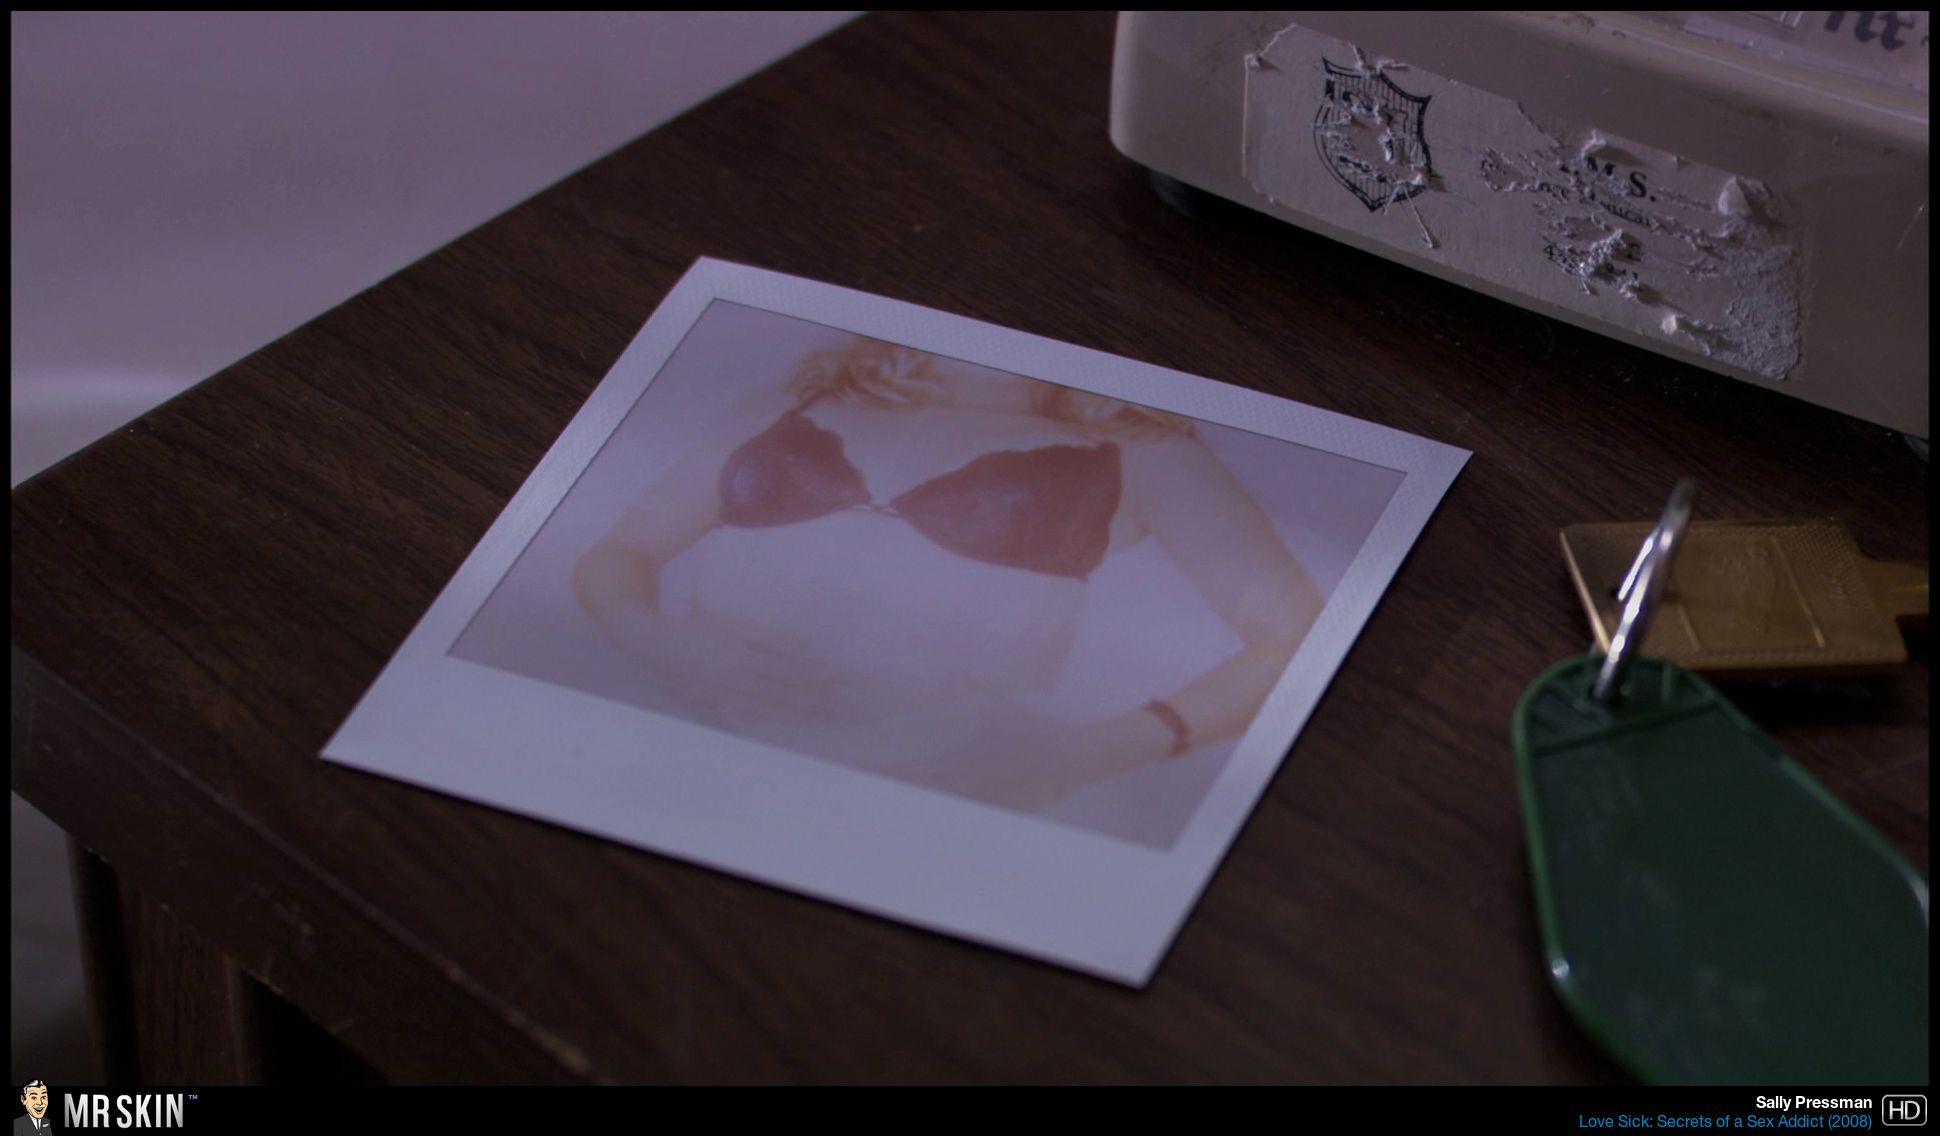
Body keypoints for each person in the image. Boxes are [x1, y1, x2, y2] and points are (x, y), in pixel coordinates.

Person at [572, 336, 1321, 815]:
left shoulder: (1139, 447)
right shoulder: (805, 398)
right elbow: (618, 556)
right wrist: (655, 641)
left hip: (923, 792)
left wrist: (1071, 758)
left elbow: (1301, 639)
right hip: (683, 748)